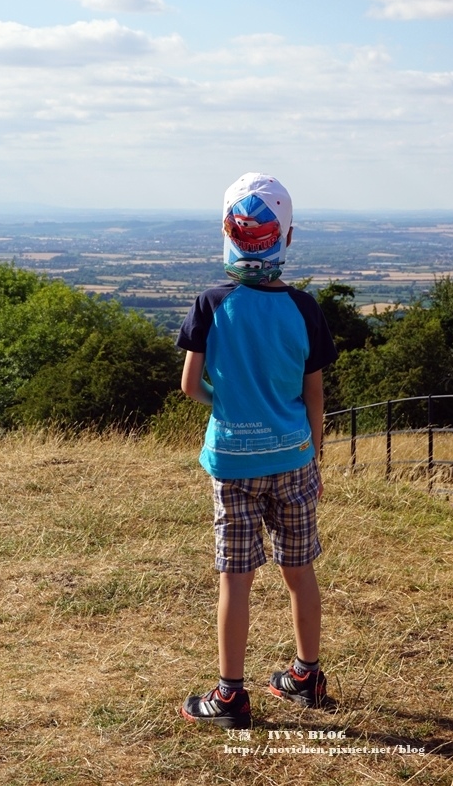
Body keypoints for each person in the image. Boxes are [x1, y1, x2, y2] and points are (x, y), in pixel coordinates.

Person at [176, 173, 337, 729]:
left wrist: (231, 403)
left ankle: (229, 696)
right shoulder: (305, 308)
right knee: (300, 570)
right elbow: (314, 397)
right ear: (286, 239)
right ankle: (306, 676)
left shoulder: (211, 303)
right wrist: (314, 456)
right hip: (293, 459)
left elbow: (189, 385)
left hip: (233, 463)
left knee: (235, 580)